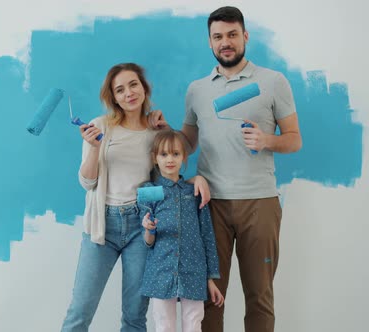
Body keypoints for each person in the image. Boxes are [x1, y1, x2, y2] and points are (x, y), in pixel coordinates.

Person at [151, 6, 302, 332]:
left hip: (259, 203)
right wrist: (168, 131)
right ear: (210, 43)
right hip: (208, 206)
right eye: (218, 37)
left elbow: (294, 140)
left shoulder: (273, 82)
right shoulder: (198, 90)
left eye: (232, 34)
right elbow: (189, 144)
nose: (226, 42)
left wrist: (266, 140)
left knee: (259, 296)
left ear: (245, 36)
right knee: (208, 296)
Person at [61, 63, 210, 332]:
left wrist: (194, 180)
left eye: (133, 85)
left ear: (144, 88)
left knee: (134, 316)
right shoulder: (99, 127)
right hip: (102, 226)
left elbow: (172, 170)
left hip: (142, 227)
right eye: (120, 90)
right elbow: (87, 182)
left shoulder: (155, 132)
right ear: (113, 97)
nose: (128, 93)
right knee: (80, 312)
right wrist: (95, 148)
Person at [138, 129, 224, 332]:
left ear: (184, 157)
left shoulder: (194, 191)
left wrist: (210, 279)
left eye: (175, 154)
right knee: (164, 325)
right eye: (164, 154)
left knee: (194, 322)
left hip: (194, 271)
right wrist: (148, 229)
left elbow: (207, 236)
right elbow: (147, 242)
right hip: (161, 271)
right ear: (155, 158)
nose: (170, 159)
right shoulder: (148, 191)